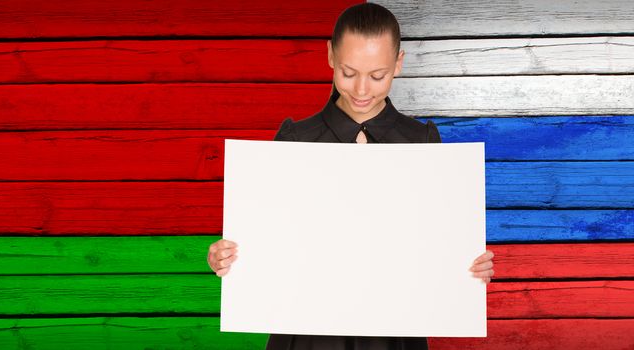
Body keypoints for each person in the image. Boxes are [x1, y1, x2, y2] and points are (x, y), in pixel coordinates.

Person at [207, 3, 495, 349]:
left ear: (398, 64)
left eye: (377, 76)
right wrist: (228, 259)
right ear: (330, 55)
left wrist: (469, 266)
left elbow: (436, 241)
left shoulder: (422, 141)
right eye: (348, 72)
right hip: (307, 334)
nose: (361, 90)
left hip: (392, 335)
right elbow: (268, 240)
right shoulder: (295, 139)